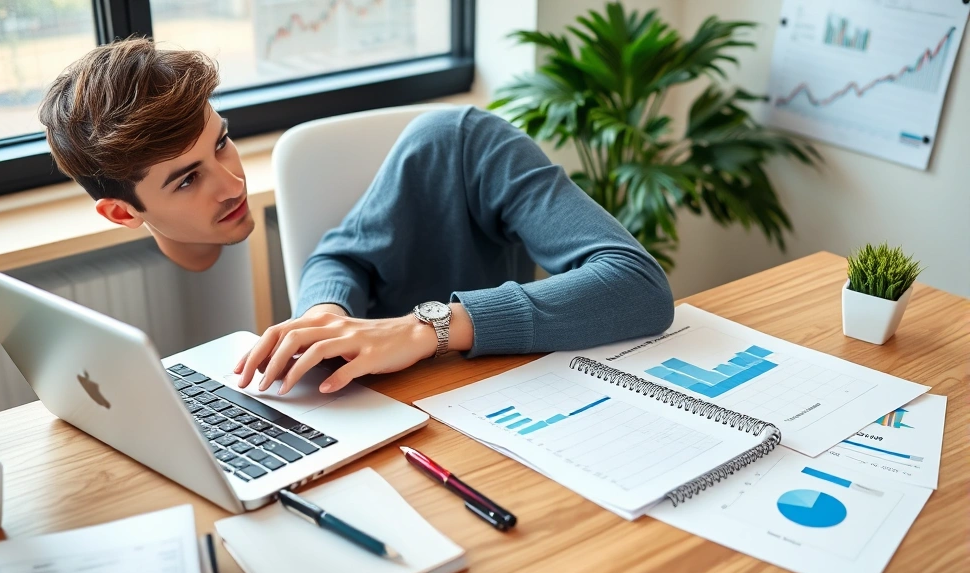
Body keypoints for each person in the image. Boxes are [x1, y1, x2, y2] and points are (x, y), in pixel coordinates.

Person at [38, 38, 675, 397]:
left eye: (223, 142)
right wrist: (325, 311)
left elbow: (641, 288)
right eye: (187, 178)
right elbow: (341, 257)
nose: (232, 180)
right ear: (123, 213)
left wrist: (431, 325)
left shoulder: (457, 142)